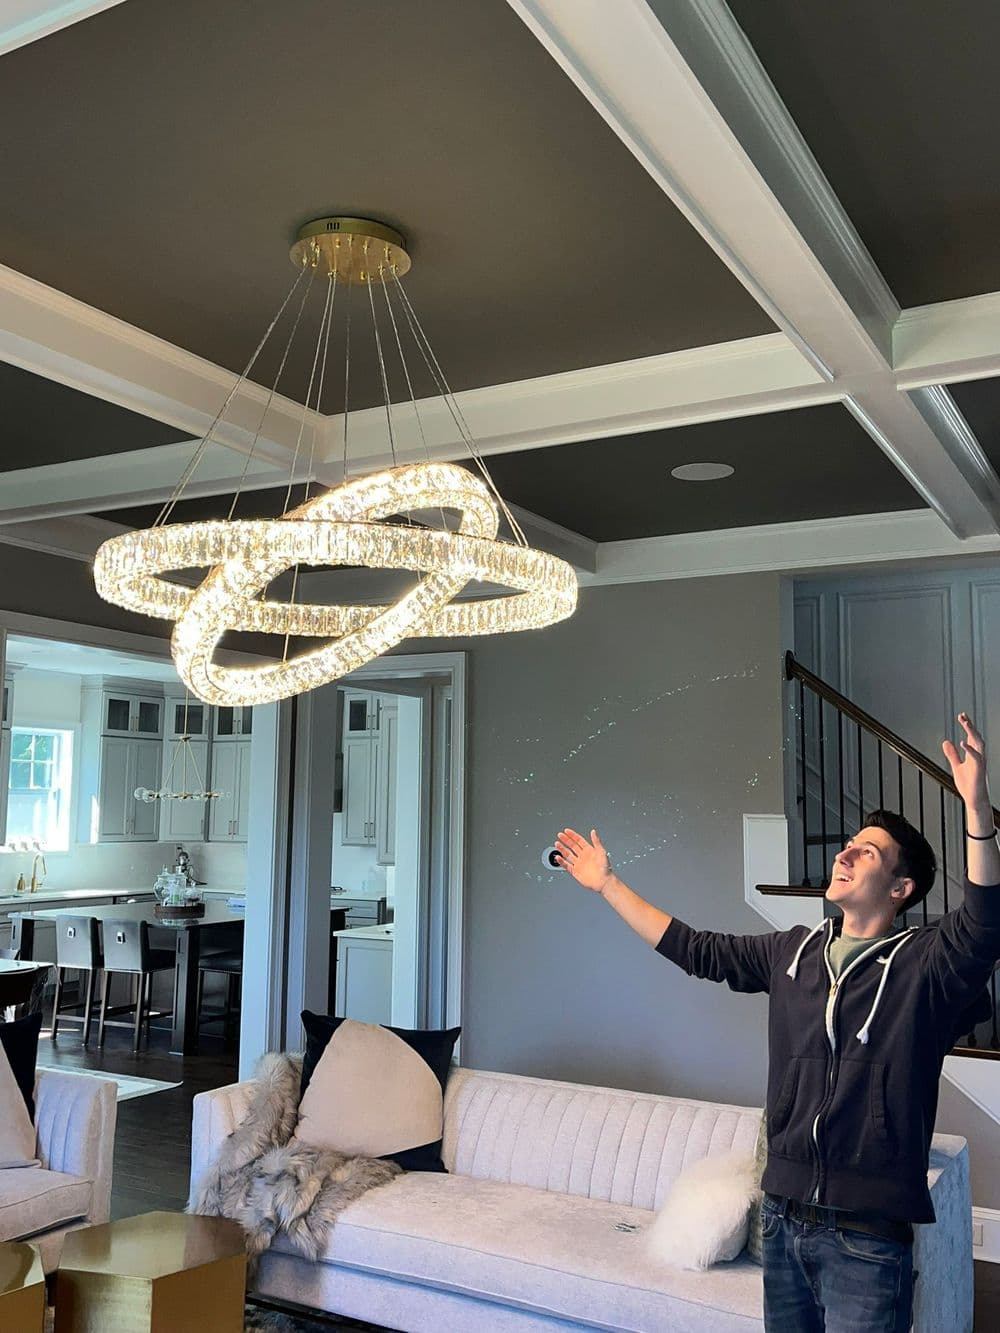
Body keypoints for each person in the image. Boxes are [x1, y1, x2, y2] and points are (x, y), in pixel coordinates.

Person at [554, 713, 1000, 1333]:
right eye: (849, 843)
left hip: (868, 1233)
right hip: (783, 1218)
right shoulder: (791, 952)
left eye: (865, 851)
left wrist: (977, 808)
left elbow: (983, 928)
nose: (843, 852)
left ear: (901, 887)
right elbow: (695, 948)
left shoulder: (924, 964)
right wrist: (607, 885)